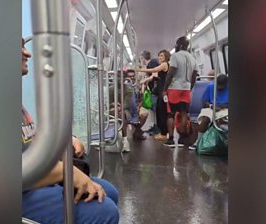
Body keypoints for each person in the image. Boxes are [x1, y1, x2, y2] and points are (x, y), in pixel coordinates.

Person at [21, 38, 119, 224]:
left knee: (110, 192)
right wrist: (64, 172)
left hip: (33, 181)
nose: (27, 53)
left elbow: (28, 138)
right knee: (104, 211)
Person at [163, 36, 198, 147]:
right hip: (186, 89)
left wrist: (165, 89)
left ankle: (171, 139)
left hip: (174, 88)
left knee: (170, 114)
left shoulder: (175, 56)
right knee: (183, 113)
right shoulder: (193, 58)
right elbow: (194, 76)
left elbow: (170, 73)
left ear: (180, 45)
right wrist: (190, 87)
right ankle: (182, 139)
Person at [189, 74, 229, 150]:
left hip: (225, 109)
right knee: (205, 119)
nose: (219, 88)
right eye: (218, 85)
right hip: (211, 107)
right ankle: (198, 141)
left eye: (222, 86)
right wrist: (211, 106)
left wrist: (222, 106)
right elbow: (204, 101)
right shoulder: (210, 87)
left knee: (223, 120)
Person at [139, 50, 171, 141]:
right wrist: (146, 80)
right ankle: (162, 132)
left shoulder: (165, 64)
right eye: (159, 55)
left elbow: (154, 70)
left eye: (162, 55)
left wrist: (140, 69)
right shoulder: (162, 65)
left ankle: (164, 133)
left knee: (162, 112)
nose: (160, 57)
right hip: (161, 90)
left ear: (166, 57)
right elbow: (154, 75)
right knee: (159, 110)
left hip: (164, 91)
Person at [140, 50, 160, 135]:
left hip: (156, 90)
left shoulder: (152, 63)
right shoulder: (152, 63)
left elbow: (155, 76)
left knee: (156, 110)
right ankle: (155, 126)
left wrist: (146, 80)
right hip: (154, 90)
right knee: (153, 109)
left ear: (143, 57)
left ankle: (157, 128)